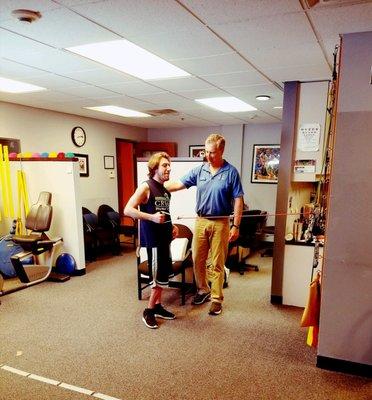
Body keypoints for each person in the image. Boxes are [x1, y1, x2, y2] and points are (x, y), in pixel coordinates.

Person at [166, 134, 244, 315]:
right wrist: (154, 186)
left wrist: (236, 225)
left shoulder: (231, 172)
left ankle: (216, 299)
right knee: (197, 259)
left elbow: (239, 200)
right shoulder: (200, 170)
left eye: (212, 153)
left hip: (221, 223)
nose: (208, 156)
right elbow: (178, 184)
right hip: (201, 221)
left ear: (222, 151)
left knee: (217, 263)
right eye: (206, 152)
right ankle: (203, 290)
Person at [124, 152, 178, 329]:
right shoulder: (146, 187)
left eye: (169, 165)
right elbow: (128, 210)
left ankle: (158, 307)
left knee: (163, 276)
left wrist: (172, 226)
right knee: (156, 279)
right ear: (155, 168)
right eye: (164, 165)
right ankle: (148, 311)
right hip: (153, 241)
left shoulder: (164, 190)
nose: (168, 168)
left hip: (165, 239)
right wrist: (152, 218)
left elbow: (164, 213)